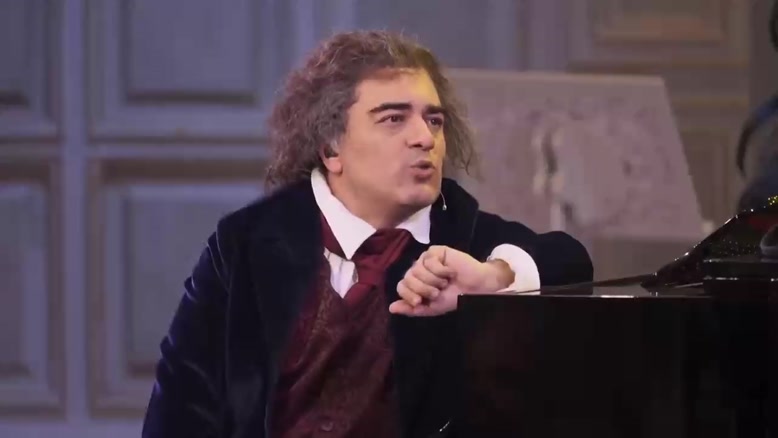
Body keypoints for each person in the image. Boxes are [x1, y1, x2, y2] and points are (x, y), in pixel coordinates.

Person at [141, 30, 593, 438]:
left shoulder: (461, 235)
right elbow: (180, 409)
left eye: (434, 120)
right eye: (394, 119)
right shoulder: (246, 244)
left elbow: (569, 261)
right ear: (331, 147)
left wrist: (493, 278)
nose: (424, 138)